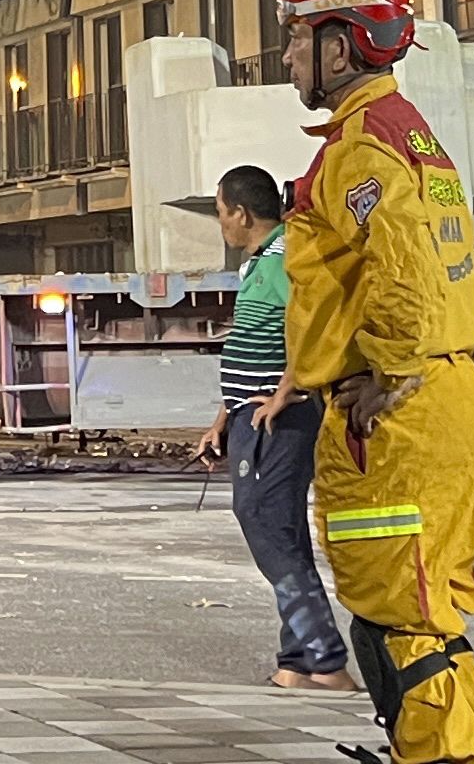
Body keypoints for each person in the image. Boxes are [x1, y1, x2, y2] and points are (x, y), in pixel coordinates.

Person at [266, 0, 474, 764]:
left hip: (398, 418)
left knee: (398, 618)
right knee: (426, 613)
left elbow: (403, 265)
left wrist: (391, 370)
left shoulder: (364, 146)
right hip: (445, 398)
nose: (288, 56)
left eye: (297, 40)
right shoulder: (407, 135)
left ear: (340, 46)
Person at [190, 162, 347, 692]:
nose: (221, 225)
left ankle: (325, 659)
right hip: (249, 416)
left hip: (279, 418)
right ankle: (297, 661)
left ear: (240, 212)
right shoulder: (258, 263)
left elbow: (311, 326)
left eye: (219, 213)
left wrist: (286, 392)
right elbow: (251, 342)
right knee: (279, 528)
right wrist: (223, 418)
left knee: (262, 519)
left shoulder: (285, 259)